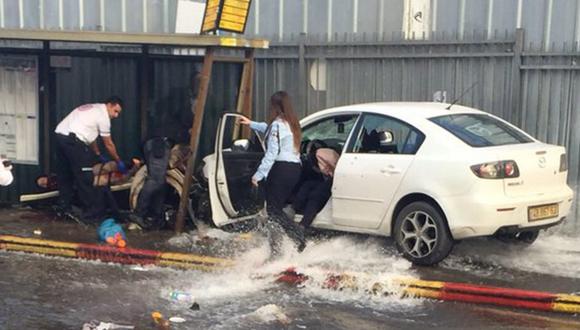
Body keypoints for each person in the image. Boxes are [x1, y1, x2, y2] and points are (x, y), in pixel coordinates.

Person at [129, 71, 199, 230]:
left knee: (160, 182)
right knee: (156, 180)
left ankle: (157, 216)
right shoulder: (184, 110)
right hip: (159, 144)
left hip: (155, 143)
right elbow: (187, 125)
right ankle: (138, 213)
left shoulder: (172, 115)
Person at [240, 91, 306, 255]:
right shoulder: (292, 123)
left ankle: (298, 237)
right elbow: (269, 130)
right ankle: (284, 242)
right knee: (277, 207)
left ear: (275, 107)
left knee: (274, 210)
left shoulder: (278, 124)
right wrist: (251, 124)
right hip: (295, 168)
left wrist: (258, 175)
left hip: (281, 168)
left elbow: (272, 152)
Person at [54, 96, 125, 223]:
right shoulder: (103, 116)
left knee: (65, 175)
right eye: (115, 111)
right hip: (74, 142)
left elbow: (90, 137)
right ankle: (91, 215)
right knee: (85, 177)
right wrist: (118, 160)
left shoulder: (93, 109)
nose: (116, 115)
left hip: (60, 137)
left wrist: (97, 153)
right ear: (109, 105)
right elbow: (108, 143)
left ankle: (64, 208)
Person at [292, 146, 339, 229]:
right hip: (330, 179)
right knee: (307, 185)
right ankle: (294, 208)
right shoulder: (327, 156)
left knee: (316, 195)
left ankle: (303, 224)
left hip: (337, 180)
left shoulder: (322, 157)